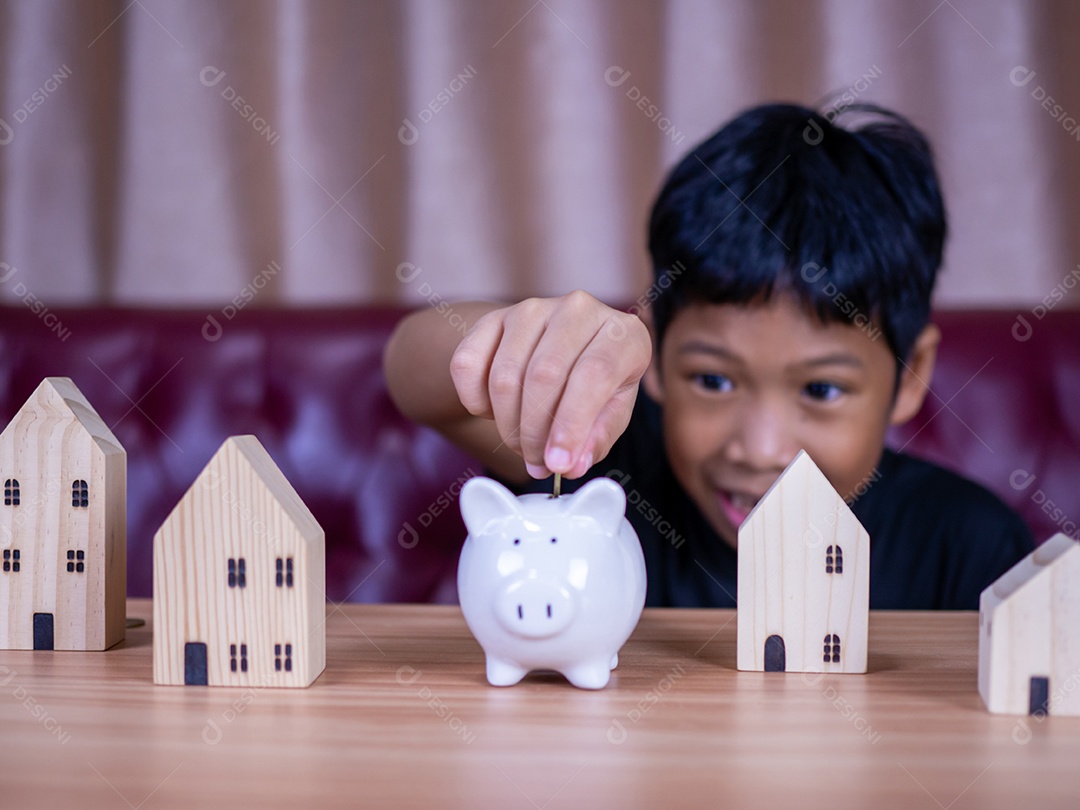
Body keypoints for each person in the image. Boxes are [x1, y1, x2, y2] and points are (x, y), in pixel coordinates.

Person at [383, 102, 1033, 609]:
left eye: (822, 390)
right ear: (656, 355)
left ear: (912, 375)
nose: (760, 449)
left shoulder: (968, 545)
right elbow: (414, 376)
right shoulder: (609, 466)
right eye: (714, 380)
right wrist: (525, 346)